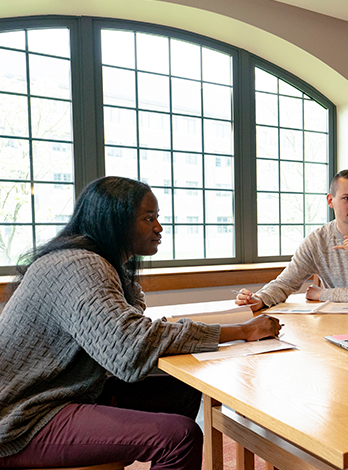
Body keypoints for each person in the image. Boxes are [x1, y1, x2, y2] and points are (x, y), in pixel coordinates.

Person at [0, 176, 281, 469]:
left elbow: (128, 328)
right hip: (22, 421)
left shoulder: (90, 261)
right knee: (180, 437)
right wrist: (242, 331)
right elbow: (129, 348)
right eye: (148, 218)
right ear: (114, 222)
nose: (159, 227)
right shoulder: (79, 265)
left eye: (157, 217)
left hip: (60, 396)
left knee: (181, 391)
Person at [236, 169, 348, 310]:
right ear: (330, 201)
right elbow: (285, 283)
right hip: (333, 320)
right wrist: (259, 299)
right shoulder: (317, 240)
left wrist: (323, 294)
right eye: (347, 198)